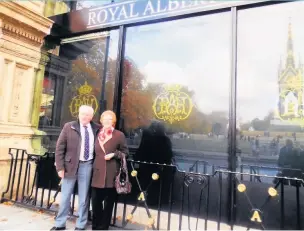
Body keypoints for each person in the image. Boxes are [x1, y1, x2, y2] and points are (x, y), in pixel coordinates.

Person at [51, 105, 99, 230]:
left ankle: (81, 224)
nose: (84, 116)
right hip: (69, 166)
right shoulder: (69, 126)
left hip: (87, 165)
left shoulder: (97, 128)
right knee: (65, 196)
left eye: (88, 114)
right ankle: (60, 224)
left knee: (84, 197)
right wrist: (60, 167)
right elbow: (60, 147)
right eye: (82, 113)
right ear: (78, 114)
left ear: (92, 116)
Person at [91, 110, 128, 230]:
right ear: (101, 121)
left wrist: (114, 154)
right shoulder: (96, 132)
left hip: (112, 173)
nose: (107, 121)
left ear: (113, 122)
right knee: (96, 201)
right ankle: (96, 225)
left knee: (108, 203)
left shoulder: (119, 135)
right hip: (97, 172)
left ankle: (103, 226)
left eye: (109, 119)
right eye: (104, 119)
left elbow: (125, 153)